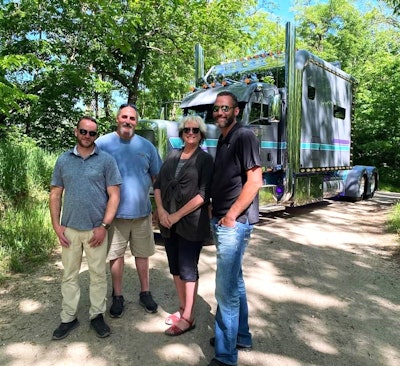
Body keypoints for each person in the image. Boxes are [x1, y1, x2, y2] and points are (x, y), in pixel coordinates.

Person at [50, 116, 122, 340]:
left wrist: (104, 226)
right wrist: (56, 225)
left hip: (95, 230)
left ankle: (97, 316)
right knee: (69, 275)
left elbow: (114, 195)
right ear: (76, 131)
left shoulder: (106, 161)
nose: (87, 136)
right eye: (83, 131)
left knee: (98, 275)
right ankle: (68, 317)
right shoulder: (63, 160)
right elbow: (55, 194)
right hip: (69, 229)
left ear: (96, 136)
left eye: (92, 133)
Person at [208, 91, 263, 366]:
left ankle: (226, 356)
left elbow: (254, 181)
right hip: (222, 220)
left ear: (236, 110)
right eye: (217, 108)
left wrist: (230, 215)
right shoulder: (224, 137)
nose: (220, 112)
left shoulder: (244, 136)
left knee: (225, 290)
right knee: (235, 283)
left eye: (225, 108)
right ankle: (239, 335)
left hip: (234, 224)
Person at [96, 103, 162, 317]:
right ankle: (117, 296)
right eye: (124, 117)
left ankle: (145, 292)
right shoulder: (102, 144)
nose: (128, 121)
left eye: (132, 118)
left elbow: (157, 179)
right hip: (114, 216)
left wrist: (159, 208)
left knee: (142, 255)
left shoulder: (146, 146)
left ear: (136, 121)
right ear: (117, 118)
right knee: (116, 256)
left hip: (142, 214)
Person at [153, 115, 214, 336]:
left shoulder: (205, 160)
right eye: (187, 129)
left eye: (195, 130)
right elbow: (158, 185)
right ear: (181, 132)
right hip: (168, 222)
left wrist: (176, 215)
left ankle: (189, 317)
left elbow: (203, 195)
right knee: (175, 268)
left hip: (190, 223)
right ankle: (181, 308)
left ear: (201, 134)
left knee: (188, 269)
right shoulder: (171, 155)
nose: (190, 133)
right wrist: (161, 211)